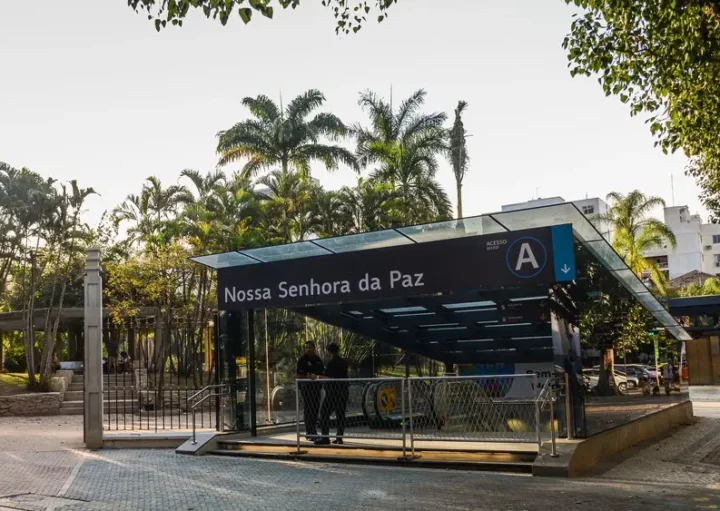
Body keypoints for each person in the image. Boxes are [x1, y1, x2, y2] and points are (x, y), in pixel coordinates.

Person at [317, 343, 349, 445]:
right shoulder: (344, 362)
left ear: (329, 351)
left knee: (324, 412)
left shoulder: (331, 362)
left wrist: (318, 377)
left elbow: (330, 377)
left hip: (333, 392)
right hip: (343, 391)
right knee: (340, 414)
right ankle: (339, 437)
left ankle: (325, 437)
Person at [296, 341, 325, 440]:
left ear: (314, 348)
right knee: (309, 409)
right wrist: (308, 376)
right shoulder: (302, 360)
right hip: (306, 388)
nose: (308, 349)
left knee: (315, 408)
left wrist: (318, 378)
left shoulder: (318, 360)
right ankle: (310, 432)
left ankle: (313, 430)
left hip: (316, 388)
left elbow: (322, 372)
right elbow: (299, 375)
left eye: (310, 347)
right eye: (306, 347)